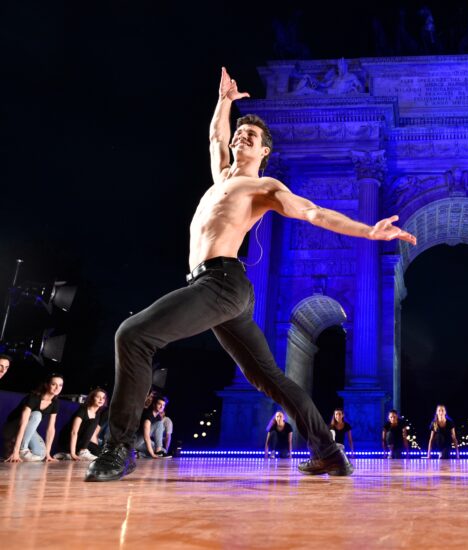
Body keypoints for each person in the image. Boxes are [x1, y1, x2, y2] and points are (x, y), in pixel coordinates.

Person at [85, 67, 416, 482]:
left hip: (221, 283)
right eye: (240, 134)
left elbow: (312, 212)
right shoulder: (221, 178)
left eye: (252, 137)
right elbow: (214, 138)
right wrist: (224, 102)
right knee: (271, 378)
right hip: (224, 291)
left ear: (264, 153)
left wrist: (368, 230)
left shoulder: (265, 187)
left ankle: (117, 449)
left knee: (132, 335)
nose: (242, 137)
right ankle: (328, 451)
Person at [3, 374, 64, 462]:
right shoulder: (33, 398)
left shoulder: (55, 403)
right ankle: (20, 449)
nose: (57, 388)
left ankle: (15, 450)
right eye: (54, 384)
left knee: (41, 454)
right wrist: (16, 451)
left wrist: (48, 454)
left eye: (60, 385)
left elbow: (51, 429)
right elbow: (23, 424)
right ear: (46, 385)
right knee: (37, 414)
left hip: (26, 430)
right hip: (11, 428)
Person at [55, 388, 107, 461]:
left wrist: (96, 448)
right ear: (92, 398)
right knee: (91, 422)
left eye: (103, 398)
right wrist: (73, 453)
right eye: (98, 397)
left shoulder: (97, 414)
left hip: (81, 442)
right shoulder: (83, 410)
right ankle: (77, 452)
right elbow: (74, 432)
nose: (101, 399)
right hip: (68, 440)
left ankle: (66, 455)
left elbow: (91, 434)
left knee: (99, 453)